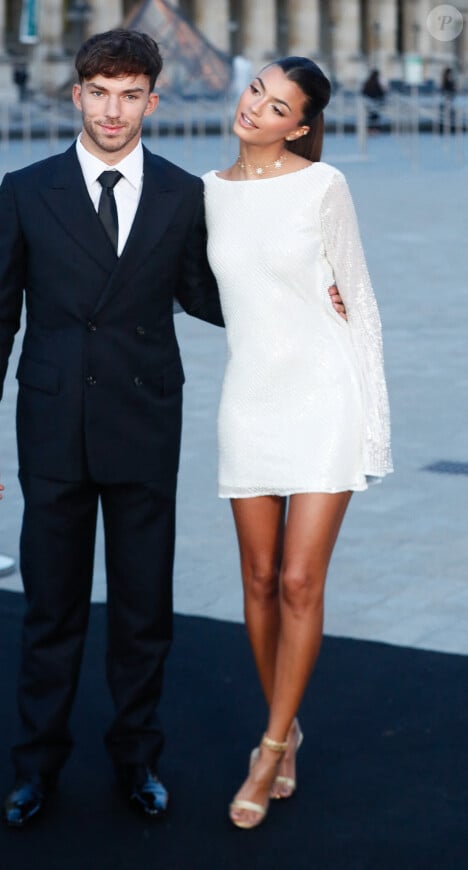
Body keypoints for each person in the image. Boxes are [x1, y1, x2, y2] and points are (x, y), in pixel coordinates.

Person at [0, 29, 225, 827]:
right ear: (76, 96)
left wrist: (301, 283)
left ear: (153, 99)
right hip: (52, 428)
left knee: (144, 610)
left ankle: (137, 759)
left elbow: (213, 297)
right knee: (52, 610)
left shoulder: (184, 194)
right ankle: (36, 766)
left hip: (145, 422)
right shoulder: (25, 188)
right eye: (100, 93)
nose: (114, 110)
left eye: (130, 93)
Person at [202, 56, 392, 830]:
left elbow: (363, 304)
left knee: (298, 582)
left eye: (277, 105)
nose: (256, 107)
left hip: (325, 397)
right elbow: (204, 287)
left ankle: (272, 744)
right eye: (256, 89)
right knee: (256, 576)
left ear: (300, 126)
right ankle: (290, 721)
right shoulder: (207, 193)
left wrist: (374, 428)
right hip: (249, 399)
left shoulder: (323, 186)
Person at [439, 67, 456, 134]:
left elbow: (454, 92)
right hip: (445, 103)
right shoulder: (445, 82)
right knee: (444, 117)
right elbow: (443, 92)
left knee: (451, 117)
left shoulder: (451, 82)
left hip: (451, 102)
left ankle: (451, 130)